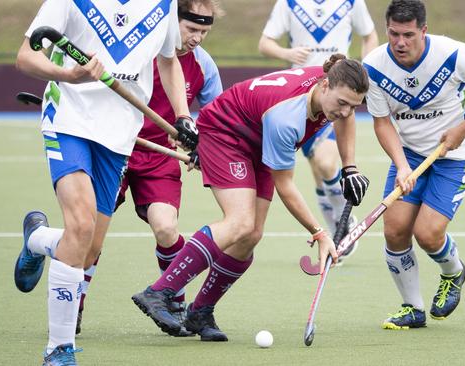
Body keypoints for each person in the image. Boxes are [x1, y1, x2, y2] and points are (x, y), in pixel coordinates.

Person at [132, 54, 371, 342]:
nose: (346, 112)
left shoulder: (332, 88)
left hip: (258, 138)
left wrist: (350, 168)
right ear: (324, 86)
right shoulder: (287, 118)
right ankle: (160, 291)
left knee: (251, 234)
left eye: (353, 106)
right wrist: (319, 233)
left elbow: (346, 120)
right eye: (341, 103)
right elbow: (285, 186)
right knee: (240, 222)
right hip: (226, 132)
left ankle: (201, 311)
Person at [13, 0, 198, 364]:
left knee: (88, 248)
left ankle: (36, 239)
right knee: (80, 226)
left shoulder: (164, 4)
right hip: (68, 118)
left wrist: (183, 115)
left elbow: (168, 60)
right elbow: (25, 57)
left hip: (120, 133)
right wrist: (68, 75)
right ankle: (59, 349)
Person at [75, 0, 224, 337]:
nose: (198, 38)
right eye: (191, 29)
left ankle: (174, 305)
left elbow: (217, 118)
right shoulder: (141, 50)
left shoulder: (203, 65)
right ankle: (74, 306)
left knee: (167, 229)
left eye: (204, 31)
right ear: (173, 22)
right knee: (90, 241)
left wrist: (204, 146)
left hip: (159, 157)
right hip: (115, 146)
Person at [361, 0, 465, 330]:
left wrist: (464, 127)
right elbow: (382, 122)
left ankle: (453, 272)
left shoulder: (452, 54)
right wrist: (401, 165)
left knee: (428, 234)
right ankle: (412, 308)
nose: (400, 42)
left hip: (456, 155)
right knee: (395, 229)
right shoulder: (373, 66)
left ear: (423, 31)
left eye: (408, 35)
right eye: (393, 34)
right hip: (411, 155)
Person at [258, 0, 379, 263]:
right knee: (318, 171)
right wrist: (287, 54)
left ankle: (342, 225)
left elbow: (369, 34)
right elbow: (264, 43)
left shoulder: (351, 2)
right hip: (304, 97)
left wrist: (361, 70)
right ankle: (336, 232)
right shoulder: (289, 3)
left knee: (326, 163)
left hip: (339, 95)